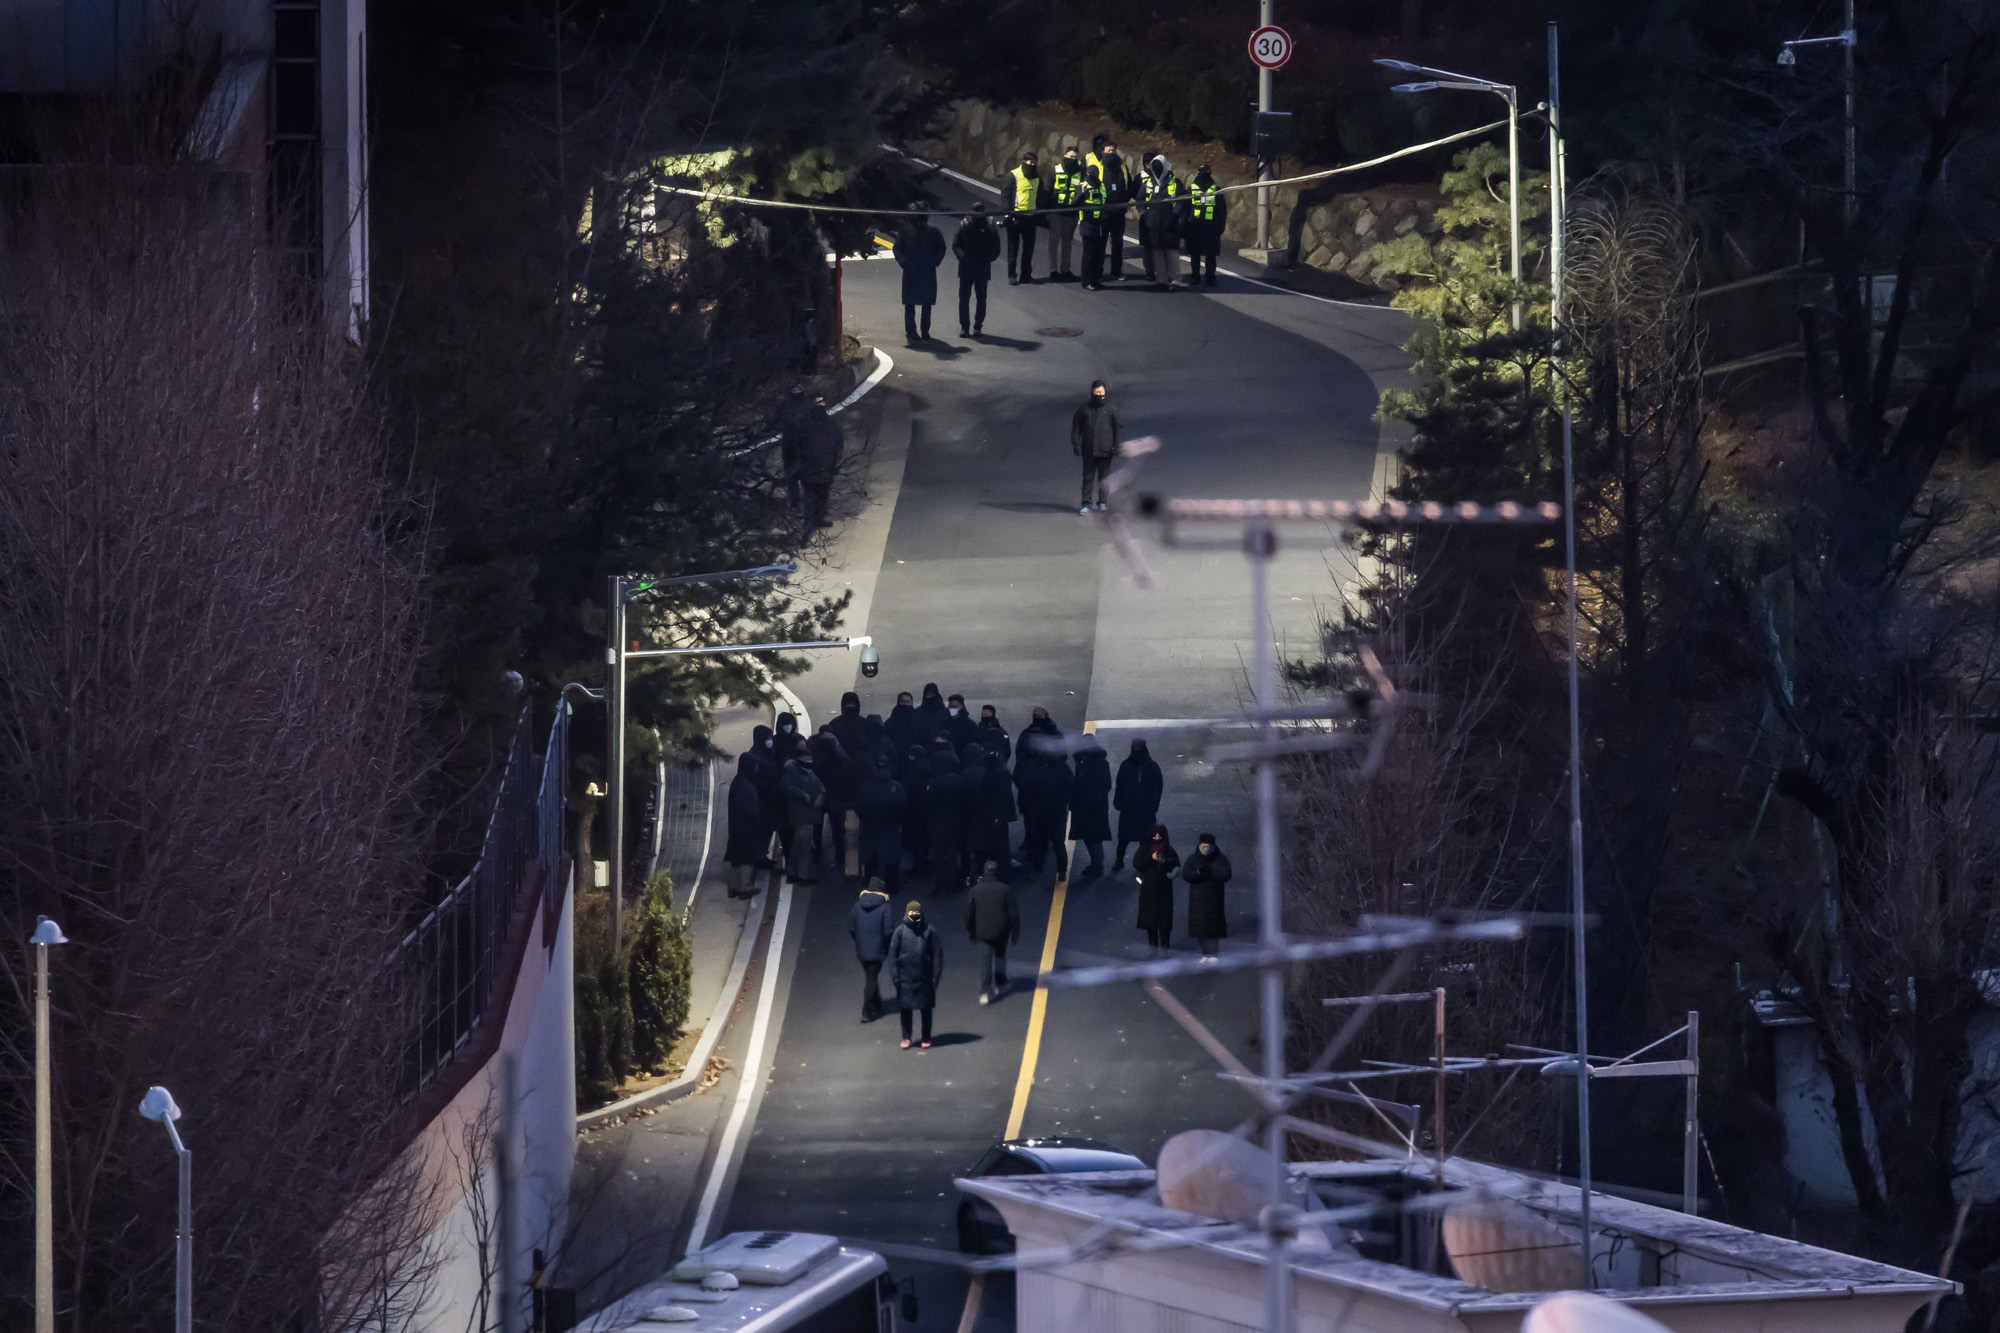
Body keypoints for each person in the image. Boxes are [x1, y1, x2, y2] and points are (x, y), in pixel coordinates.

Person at [1014, 709, 1071, 877]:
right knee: (1056, 841)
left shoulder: (1037, 769)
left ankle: (1038, 867)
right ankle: (1061, 870)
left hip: (1042, 807)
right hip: (1056, 809)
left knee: (1041, 838)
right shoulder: (1062, 769)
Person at [887, 899, 944, 1048]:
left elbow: (937, 955)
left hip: (925, 978)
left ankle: (926, 1037)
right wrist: (895, 975)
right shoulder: (900, 932)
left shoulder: (929, 931)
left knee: (926, 1010)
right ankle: (906, 1037)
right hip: (905, 978)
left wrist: (936, 976)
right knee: (906, 1009)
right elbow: (892, 955)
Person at [964, 860, 1022, 1004]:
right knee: (1000, 956)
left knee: (985, 961)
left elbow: (969, 915)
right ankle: (1000, 982)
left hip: (983, 932)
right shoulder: (1005, 889)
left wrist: (972, 933)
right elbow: (1013, 914)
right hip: (1001, 931)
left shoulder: (975, 891)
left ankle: (985, 991)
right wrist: (1015, 933)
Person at [892, 205, 947, 344]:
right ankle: (912, 331)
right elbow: (897, 249)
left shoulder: (932, 232)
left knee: (923, 303)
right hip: (916, 271)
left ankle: (923, 331)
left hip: (921, 271)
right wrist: (904, 262)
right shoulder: (907, 232)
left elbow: (941, 248)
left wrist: (935, 261)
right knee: (913, 303)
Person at [856, 753, 907, 892]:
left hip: (870, 826)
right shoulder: (896, 787)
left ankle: (870, 887)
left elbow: (859, 807)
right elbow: (903, 807)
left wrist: (866, 818)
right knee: (891, 858)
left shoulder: (865, 787)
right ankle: (892, 887)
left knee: (870, 858)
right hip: (891, 827)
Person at [1086, 136, 1134, 280]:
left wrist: (1124, 201)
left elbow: (1128, 186)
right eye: (1109, 151)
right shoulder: (1100, 167)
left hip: (1119, 211)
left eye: (1114, 151)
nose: (1112, 153)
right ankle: (1098, 271)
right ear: (1103, 152)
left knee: (1118, 243)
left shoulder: (1122, 167)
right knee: (1101, 243)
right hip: (1104, 212)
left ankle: (1116, 271)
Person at [1072, 379, 1123, 515]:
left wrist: (1116, 447)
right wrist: (1076, 444)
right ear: (1092, 393)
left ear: (1105, 392)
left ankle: (1102, 503)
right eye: (1096, 393)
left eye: (1101, 392)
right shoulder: (1084, 410)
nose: (1099, 395)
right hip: (1088, 451)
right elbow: (1076, 428)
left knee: (1104, 479)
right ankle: (1086, 504)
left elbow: (1118, 429)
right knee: (1087, 478)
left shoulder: (1111, 410)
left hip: (1105, 451)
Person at [724, 750, 770, 899]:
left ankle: (733, 887)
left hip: (737, 827)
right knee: (746, 859)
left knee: (737, 859)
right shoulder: (744, 785)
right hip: (746, 828)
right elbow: (748, 808)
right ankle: (744, 888)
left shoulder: (739, 782)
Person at [1113, 737, 1163, 870]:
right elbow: (1120, 785)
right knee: (1127, 838)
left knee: (1140, 839)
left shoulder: (1140, 766)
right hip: (1133, 809)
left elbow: (1157, 788)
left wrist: (1153, 806)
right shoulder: (1150, 766)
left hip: (1140, 810)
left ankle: (1132, 862)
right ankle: (1122, 861)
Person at [848, 878, 895, 1020]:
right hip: (877, 949)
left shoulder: (857, 906)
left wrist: (859, 941)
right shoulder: (885, 908)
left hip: (862, 948)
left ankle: (876, 1002)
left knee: (870, 975)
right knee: (871, 979)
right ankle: (867, 1010)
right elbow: (888, 931)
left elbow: (851, 928)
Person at [926, 748, 972, 892]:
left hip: (937, 823)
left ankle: (940, 886)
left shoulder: (934, 782)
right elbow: (966, 803)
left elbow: (928, 804)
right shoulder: (960, 781)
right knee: (952, 854)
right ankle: (952, 885)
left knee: (938, 855)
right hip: (956, 822)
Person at [1140, 153, 1188, 290]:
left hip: (1170, 223)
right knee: (1158, 253)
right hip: (1153, 224)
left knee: (1172, 253)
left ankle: (1175, 279)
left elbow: (1182, 200)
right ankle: (1161, 279)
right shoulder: (1148, 183)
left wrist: (1175, 214)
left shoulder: (1175, 182)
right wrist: (1145, 215)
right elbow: (1140, 200)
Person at [1183, 833, 1233, 959]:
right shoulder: (1192, 859)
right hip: (1198, 903)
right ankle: (1205, 954)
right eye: (1204, 847)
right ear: (1199, 846)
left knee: (1213, 930)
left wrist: (1211, 871)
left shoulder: (1220, 859)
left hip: (1214, 901)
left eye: (1209, 847)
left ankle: (1213, 954)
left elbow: (1227, 874)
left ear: (1213, 847)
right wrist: (1197, 873)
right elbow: (1186, 875)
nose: (1206, 849)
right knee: (1200, 930)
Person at [952, 205, 1001, 336]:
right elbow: (956, 244)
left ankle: (978, 326)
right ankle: (964, 326)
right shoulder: (965, 224)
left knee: (981, 298)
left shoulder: (989, 226)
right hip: (966, 267)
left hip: (982, 267)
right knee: (964, 298)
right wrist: (963, 257)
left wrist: (987, 258)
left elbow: (996, 247)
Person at [779, 749, 826, 883]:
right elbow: (785, 786)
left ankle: (793, 871)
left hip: (808, 814)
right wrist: (802, 795)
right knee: (803, 846)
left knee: (799, 845)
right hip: (800, 814)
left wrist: (821, 796)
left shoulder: (809, 772)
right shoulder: (791, 772)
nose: (809, 761)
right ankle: (802, 874)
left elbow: (821, 787)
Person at [1069, 735, 1112, 877]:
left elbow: (1104, 785)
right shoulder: (1085, 761)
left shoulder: (1094, 762)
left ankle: (1097, 863)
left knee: (1093, 836)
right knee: (1090, 835)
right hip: (1087, 805)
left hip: (1092, 807)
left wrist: (1093, 800)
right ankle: (1096, 862)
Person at [1134, 824, 1180, 954]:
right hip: (1149, 889)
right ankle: (1154, 944)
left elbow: (1175, 865)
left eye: (1160, 835)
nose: (1157, 837)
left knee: (1163, 920)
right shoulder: (1145, 849)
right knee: (1151, 921)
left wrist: (1163, 862)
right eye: (1155, 835)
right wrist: (1152, 859)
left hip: (1162, 889)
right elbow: (1137, 863)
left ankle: (1164, 945)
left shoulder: (1168, 850)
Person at [798, 394, 840, 528]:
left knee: (823, 494)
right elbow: (797, 445)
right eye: (817, 402)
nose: (820, 405)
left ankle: (819, 518)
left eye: (822, 402)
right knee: (809, 494)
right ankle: (809, 519)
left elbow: (839, 443)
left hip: (826, 465)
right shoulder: (804, 423)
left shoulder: (831, 423)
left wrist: (836, 463)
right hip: (809, 466)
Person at [1182, 164, 1228, 288]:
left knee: (1195, 255)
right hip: (1211, 228)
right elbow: (1222, 212)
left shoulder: (1191, 189)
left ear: (1197, 173)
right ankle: (1210, 278)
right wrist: (1220, 228)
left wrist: (1184, 228)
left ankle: (1195, 277)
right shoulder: (1216, 190)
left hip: (1194, 227)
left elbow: (1185, 209)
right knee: (1210, 256)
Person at [1002, 151, 1044, 284]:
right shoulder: (1013, 175)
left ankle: (1026, 275)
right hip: (1016, 217)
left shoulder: (1037, 178)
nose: (1033, 165)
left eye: (1035, 163)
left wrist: (1040, 214)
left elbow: (1041, 196)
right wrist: (1008, 214)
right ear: (1024, 162)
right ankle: (1012, 275)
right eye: (1031, 163)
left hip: (1030, 217)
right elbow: (1005, 196)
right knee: (1013, 248)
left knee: (1028, 249)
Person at [1049, 146, 1085, 280]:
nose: (1073, 159)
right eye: (1071, 156)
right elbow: (1048, 190)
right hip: (1056, 212)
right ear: (1064, 156)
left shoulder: (1080, 173)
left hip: (1071, 213)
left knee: (1067, 242)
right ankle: (1053, 270)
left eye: (1075, 157)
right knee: (1054, 242)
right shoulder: (1055, 170)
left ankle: (1065, 270)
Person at [901, 743, 934, 878]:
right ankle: (926, 864)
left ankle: (918, 869)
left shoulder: (910, 770)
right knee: (925, 839)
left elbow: (905, 791)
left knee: (916, 841)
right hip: (928, 810)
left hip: (913, 810)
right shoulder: (931, 767)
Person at [1077, 164, 1110, 292]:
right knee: (1089, 254)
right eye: (1092, 175)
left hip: (1101, 224)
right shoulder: (1083, 186)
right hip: (1088, 224)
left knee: (1099, 254)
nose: (1094, 177)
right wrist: (1082, 193)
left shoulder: (1101, 186)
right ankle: (1086, 281)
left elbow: (1106, 201)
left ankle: (1095, 279)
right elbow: (1074, 202)